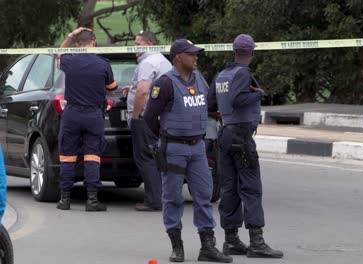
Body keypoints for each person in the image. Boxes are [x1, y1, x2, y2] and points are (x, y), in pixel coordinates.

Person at [144, 39, 232, 263]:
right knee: (172, 198)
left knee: (203, 196)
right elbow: (149, 117)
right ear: (178, 57)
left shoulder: (199, 80)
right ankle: (177, 246)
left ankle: (208, 247)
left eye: (196, 54)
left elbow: (209, 106)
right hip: (173, 148)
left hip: (198, 148)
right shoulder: (164, 83)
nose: (196, 57)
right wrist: (166, 135)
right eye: (191, 54)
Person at [207, 34, 283, 258]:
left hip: (226, 134)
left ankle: (231, 240)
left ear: (234, 51)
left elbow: (210, 104)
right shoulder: (243, 73)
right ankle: (256, 242)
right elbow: (238, 99)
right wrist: (257, 94)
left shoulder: (222, 75)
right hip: (241, 135)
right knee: (250, 187)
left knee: (230, 188)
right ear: (252, 52)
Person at [56, 27, 118, 212]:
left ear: (77, 44)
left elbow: (59, 52)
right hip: (93, 115)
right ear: (94, 42)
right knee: (93, 157)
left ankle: (64, 199)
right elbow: (112, 88)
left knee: (67, 157)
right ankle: (92, 200)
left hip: (72, 114)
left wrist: (71, 34)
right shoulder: (103, 64)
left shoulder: (70, 61)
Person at [121, 31, 171, 211]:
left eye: (138, 44)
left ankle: (153, 201)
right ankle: (162, 197)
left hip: (145, 117)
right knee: (156, 158)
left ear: (149, 44)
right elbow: (149, 87)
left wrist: (135, 116)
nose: (135, 47)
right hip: (160, 117)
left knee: (145, 159)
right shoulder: (162, 60)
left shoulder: (147, 62)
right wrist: (132, 87)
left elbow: (143, 91)